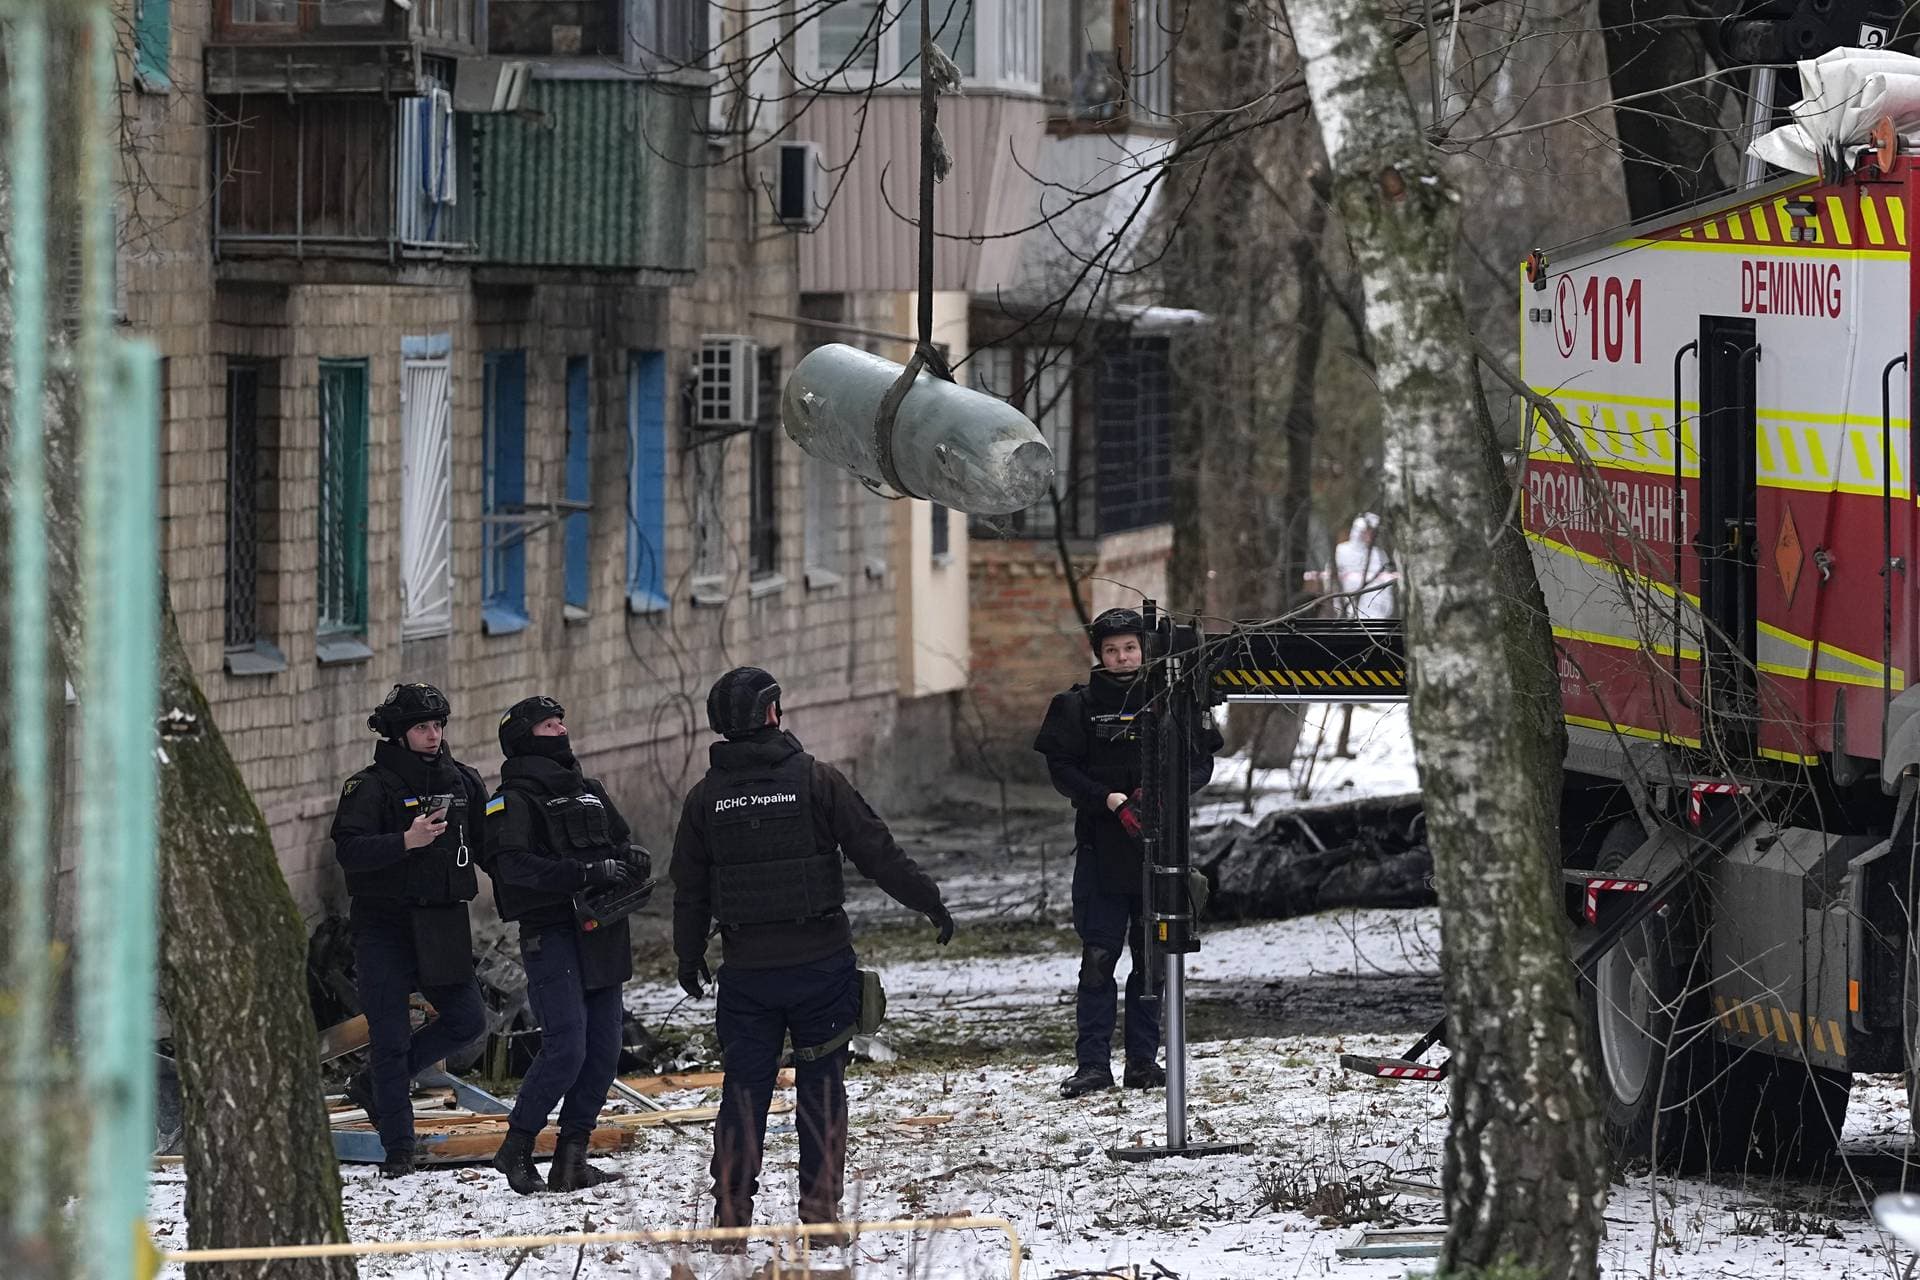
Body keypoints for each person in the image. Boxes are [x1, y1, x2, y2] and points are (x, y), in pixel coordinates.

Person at [672, 667, 954, 1241]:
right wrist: (929, 902)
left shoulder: (704, 799)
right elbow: (877, 850)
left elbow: (690, 888)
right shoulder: (817, 780)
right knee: (821, 1089)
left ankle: (730, 1219)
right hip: (819, 967)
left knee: (743, 1091)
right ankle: (821, 1219)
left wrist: (687, 955)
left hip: (746, 972)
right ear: (772, 713)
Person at [1034, 607, 1223, 1099]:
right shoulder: (1074, 706)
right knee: (1099, 958)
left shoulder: (1172, 702)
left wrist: (1161, 794)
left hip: (1159, 853)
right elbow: (1062, 770)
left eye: (1130, 648)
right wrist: (1108, 798)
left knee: (1152, 960)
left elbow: (1201, 764)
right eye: (1112, 650)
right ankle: (1093, 1064)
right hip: (1102, 851)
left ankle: (1144, 1062)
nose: (1122, 658)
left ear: (1146, 649)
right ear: (1099, 653)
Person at [481, 695, 651, 1196]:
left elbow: (618, 842)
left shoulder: (589, 790)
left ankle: (571, 1157)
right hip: (552, 935)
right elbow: (511, 867)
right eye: (547, 725)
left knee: (603, 1051)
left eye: (561, 721)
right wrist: (581, 873)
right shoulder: (508, 801)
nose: (560, 730)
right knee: (566, 1047)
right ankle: (516, 1146)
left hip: (603, 931)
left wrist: (628, 860)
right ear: (523, 738)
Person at [329, 682, 490, 1178]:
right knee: (391, 1036)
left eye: (438, 725)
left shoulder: (462, 781)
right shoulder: (369, 787)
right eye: (421, 727)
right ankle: (398, 1150)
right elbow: (349, 851)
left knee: (467, 1019)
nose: (432, 735)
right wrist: (406, 840)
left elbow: (491, 845)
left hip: (442, 920)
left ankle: (377, 1086)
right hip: (384, 924)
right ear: (399, 735)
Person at [1332, 512, 1398, 620]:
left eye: (1372, 532)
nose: (1370, 535)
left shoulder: (1379, 554)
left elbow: (1386, 584)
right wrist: (1340, 608)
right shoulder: (1342, 551)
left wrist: (1386, 610)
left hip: (1377, 615)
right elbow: (1336, 583)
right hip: (1351, 612)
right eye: (1367, 531)